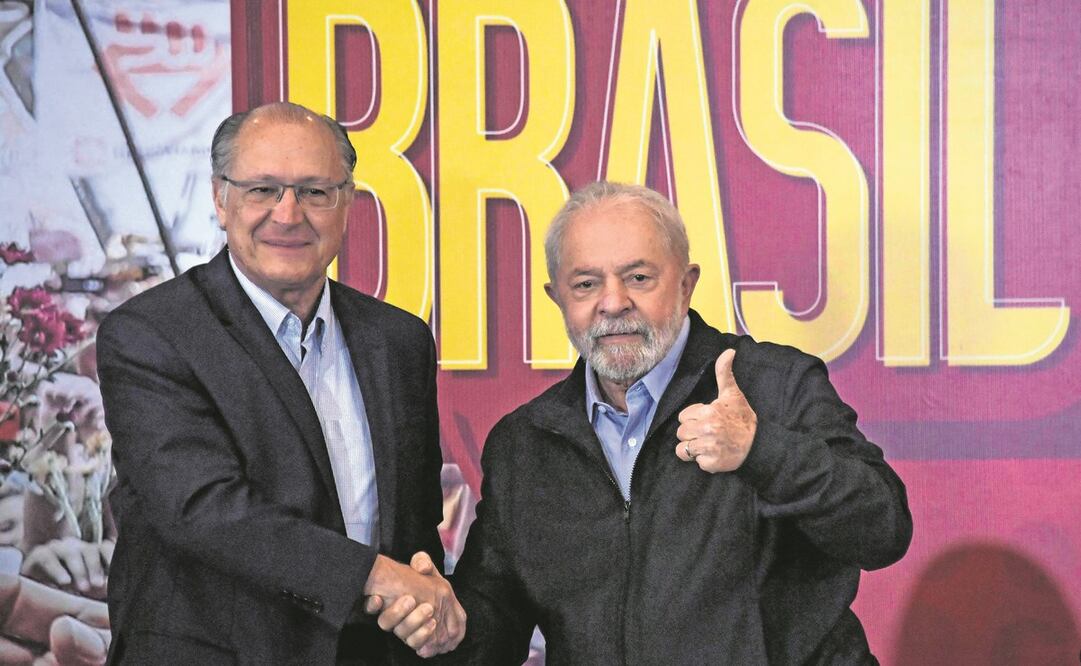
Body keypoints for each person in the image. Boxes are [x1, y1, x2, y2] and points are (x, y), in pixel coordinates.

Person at [385, 181, 912, 663]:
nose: (613, 303)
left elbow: (882, 529)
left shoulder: (775, 385)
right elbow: (499, 615)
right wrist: (454, 628)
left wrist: (761, 451)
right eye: (586, 284)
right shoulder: (526, 444)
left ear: (686, 284)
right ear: (557, 298)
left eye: (639, 277)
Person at [96, 102, 464, 665]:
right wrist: (375, 578)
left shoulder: (399, 340)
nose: (288, 215)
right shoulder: (150, 334)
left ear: (348, 204)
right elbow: (203, 508)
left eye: (316, 192)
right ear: (221, 199)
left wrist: (425, 603)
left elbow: (414, 522)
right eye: (263, 189)